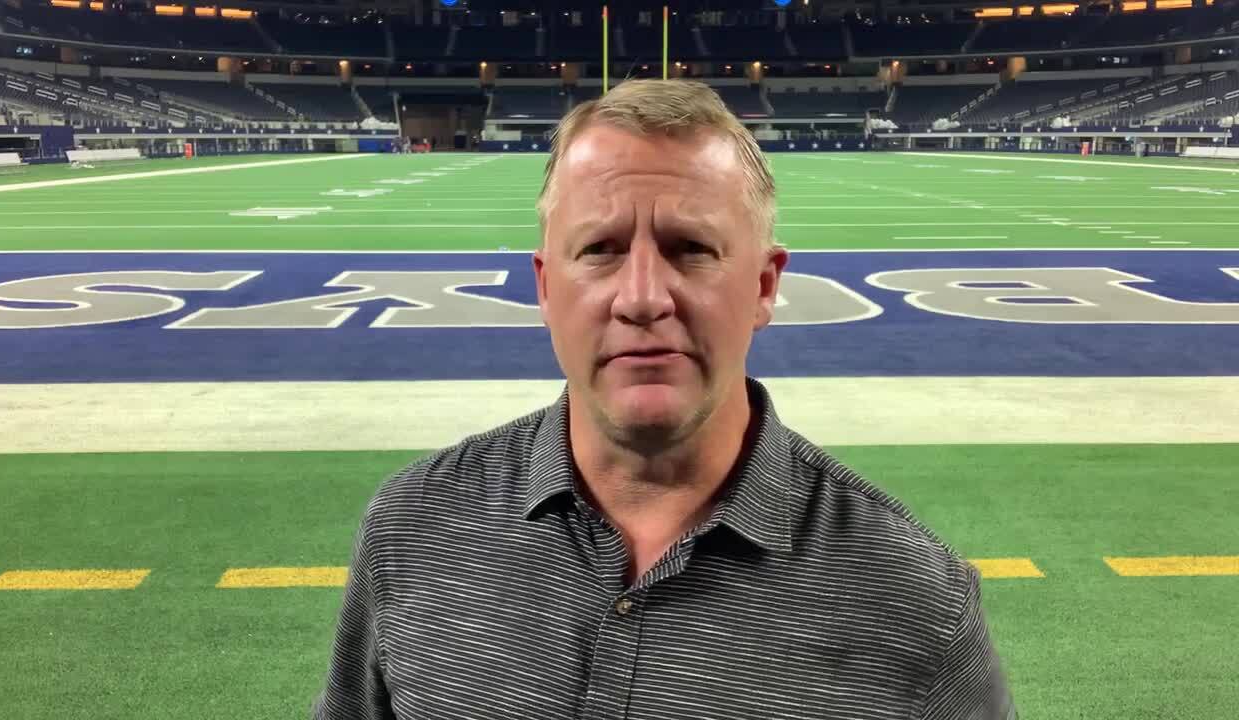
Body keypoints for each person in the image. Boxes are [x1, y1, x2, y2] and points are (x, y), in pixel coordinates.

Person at [312, 79, 1016, 720]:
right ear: (546, 287)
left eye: (691, 248)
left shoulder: (915, 602)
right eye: (600, 249)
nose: (644, 297)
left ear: (765, 287)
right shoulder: (413, 529)